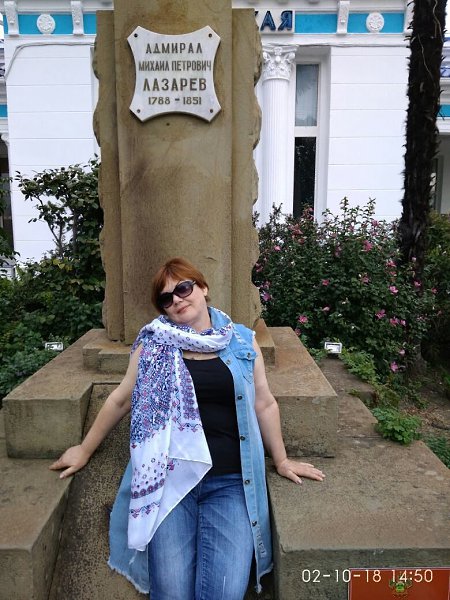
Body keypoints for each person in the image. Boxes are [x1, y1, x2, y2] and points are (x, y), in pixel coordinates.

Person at [50, 257, 325, 600]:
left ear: (203, 288)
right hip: (170, 483)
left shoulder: (241, 341)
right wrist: (84, 449)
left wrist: (281, 460)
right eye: (166, 298)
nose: (177, 299)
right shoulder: (153, 344)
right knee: (172, 591)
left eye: (183, 288)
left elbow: (264, 403)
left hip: (229, 482)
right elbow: (121, 399)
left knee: (225, 592)